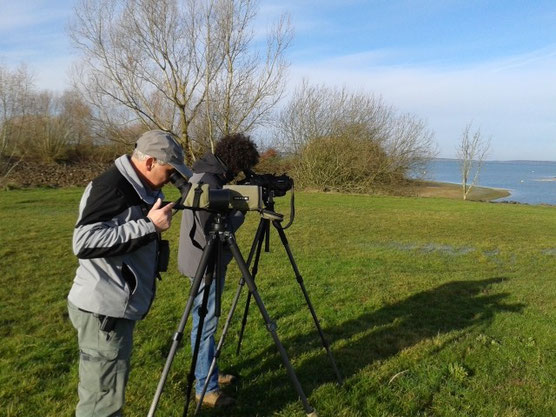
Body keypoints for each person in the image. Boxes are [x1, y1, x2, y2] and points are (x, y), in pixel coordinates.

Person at [67, 130, 191, 417]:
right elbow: (84, 242)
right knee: (102, 401)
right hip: (103, 309)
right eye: (170, 171)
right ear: (149, 163)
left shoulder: (139, 187)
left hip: (112, 305)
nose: (172, 179)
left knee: (107, 391)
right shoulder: (112, 187)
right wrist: (149, 226)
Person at [177, 133, 260, 408]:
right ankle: (206, 388)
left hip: (201, 257)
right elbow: (216, 228)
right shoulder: (209, 182)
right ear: (237, 161)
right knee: (205, 322)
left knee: (206, 320)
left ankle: (209, 371)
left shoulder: (203, 173)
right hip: (205, 261)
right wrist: (241, 208)